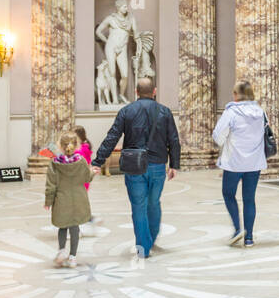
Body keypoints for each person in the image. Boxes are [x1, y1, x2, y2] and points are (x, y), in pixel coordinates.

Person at [92, 77, 179, 259]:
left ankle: (143, 248)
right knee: (154, 202)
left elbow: (112, 137)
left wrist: (98, 161)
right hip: (157, 166)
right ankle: (151, 239)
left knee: (138, 207)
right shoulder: (164, 111)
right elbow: (174, 140)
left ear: (136, 92)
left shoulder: (126, 111)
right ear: (154, 91)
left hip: (134, 166)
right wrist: (174, 165)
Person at [212, 80, 270, 248]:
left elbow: (218, 136)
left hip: (234, 162)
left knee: (228, 194)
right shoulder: (260, 112)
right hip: (254, 162)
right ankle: (249, 237)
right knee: (249, 199)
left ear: (236, 95)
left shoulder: (231, 112)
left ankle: (238, 229)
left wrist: (225, 140)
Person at [45, 131, 93, 268]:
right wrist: (92, 172)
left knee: (62, 226)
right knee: (74, 227)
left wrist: (48, 201)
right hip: (79, 198)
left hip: (62, 199)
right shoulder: (81, 161)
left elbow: (51, 184)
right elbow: (86, 178)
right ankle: (72, 257)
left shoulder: (55, 163)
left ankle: (61, 251)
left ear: (60, 146)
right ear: (77, 145)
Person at [73, 124, 100, 226]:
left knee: (79, 199)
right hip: (79, 177)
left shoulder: (83, 148)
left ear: (79, 136)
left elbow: (79, 161)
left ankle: (87, 217)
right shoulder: (80, 147)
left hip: (82, 177)